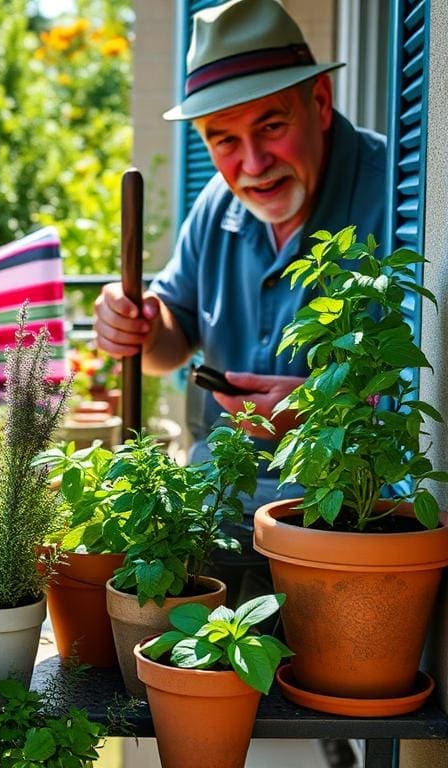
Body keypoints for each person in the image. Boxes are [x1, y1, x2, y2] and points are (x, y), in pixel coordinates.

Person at [94, 0, 387, 604]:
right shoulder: (214, 205)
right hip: (218, 502)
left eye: (271, 127)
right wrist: (142, 325)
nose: (252, 165)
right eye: (224, 140)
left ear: (321, 102)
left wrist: (323, 413)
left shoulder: (401, 193)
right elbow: (170, 339)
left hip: (350, 517)